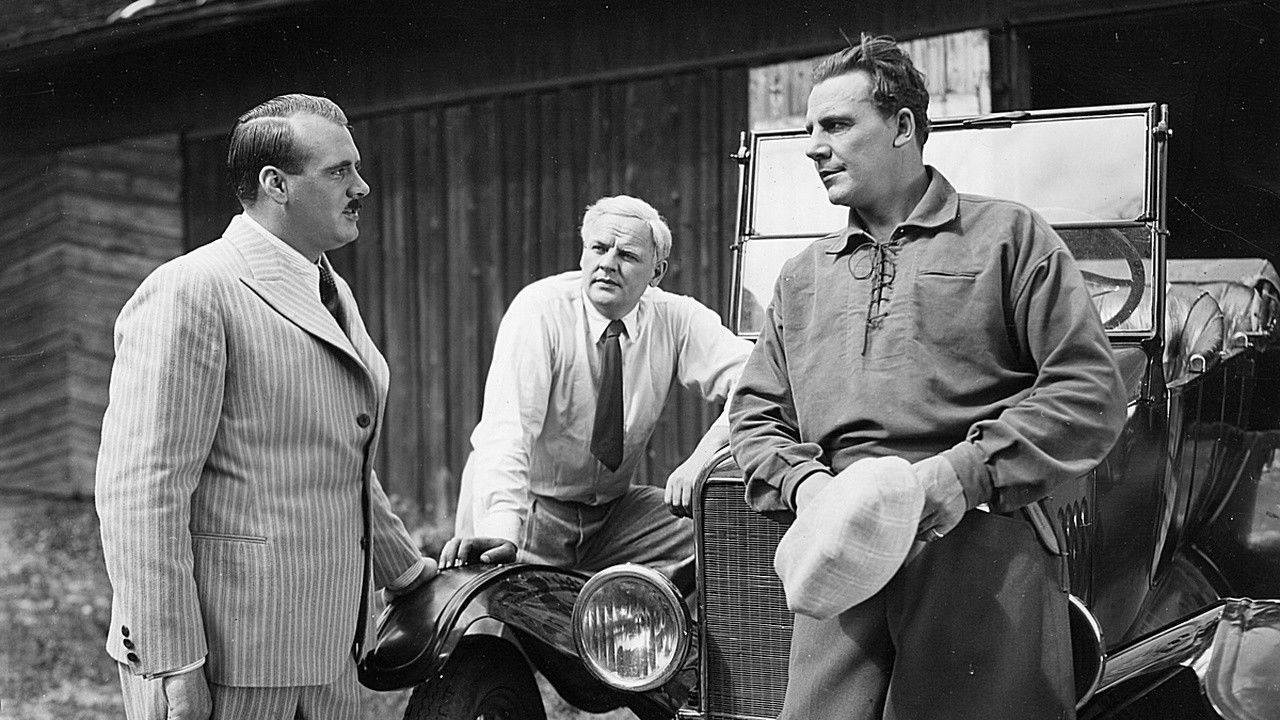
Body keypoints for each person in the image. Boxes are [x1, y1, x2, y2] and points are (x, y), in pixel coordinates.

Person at [728, 36, 1127, 720]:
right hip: (840, 558)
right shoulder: (801, 278)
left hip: (978, 545)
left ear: (903, 126)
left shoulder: (1009, 237)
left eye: (837, 125)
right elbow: (754, 416)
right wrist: (810, 489)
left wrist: (963, 474)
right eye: (809, 130)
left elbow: (1088, 389)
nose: (814, 148)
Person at [95, 94, 436, 720]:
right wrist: (174, 666)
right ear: (275, 184)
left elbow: (337, 456)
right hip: (230, 660)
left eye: (356, 168)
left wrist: (409, 574)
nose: (361, 187)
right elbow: (142, 492)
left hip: (330, 649)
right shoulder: (192, 290)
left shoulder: (328, 286)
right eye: (339, 171)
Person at [439, 195, 751, 571]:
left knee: (724, 531)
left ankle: (651, 606)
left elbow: (756, 379)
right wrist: (501, 530)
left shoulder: (675, 317)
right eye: (599, 248)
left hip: (612, 517)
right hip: (531, 507)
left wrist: (704, 458)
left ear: (657, 272)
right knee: (499, 601)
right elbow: (508, 433)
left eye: (627, 255)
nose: (607, 263)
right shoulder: (540, 310)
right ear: (583, 254)